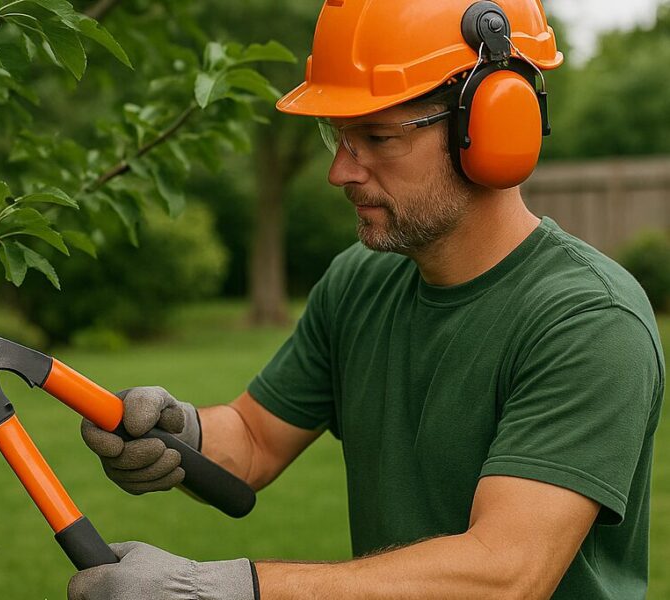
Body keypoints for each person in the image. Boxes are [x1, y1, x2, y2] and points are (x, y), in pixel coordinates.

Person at [67, 1, 666, 598]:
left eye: (376, 137)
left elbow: (503, 573)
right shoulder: (360, 282)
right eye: (338, 135)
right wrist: (181, 434)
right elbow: (254, 437)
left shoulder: (588, 321)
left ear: (489, 126)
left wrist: (213, 589)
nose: (339, 171)